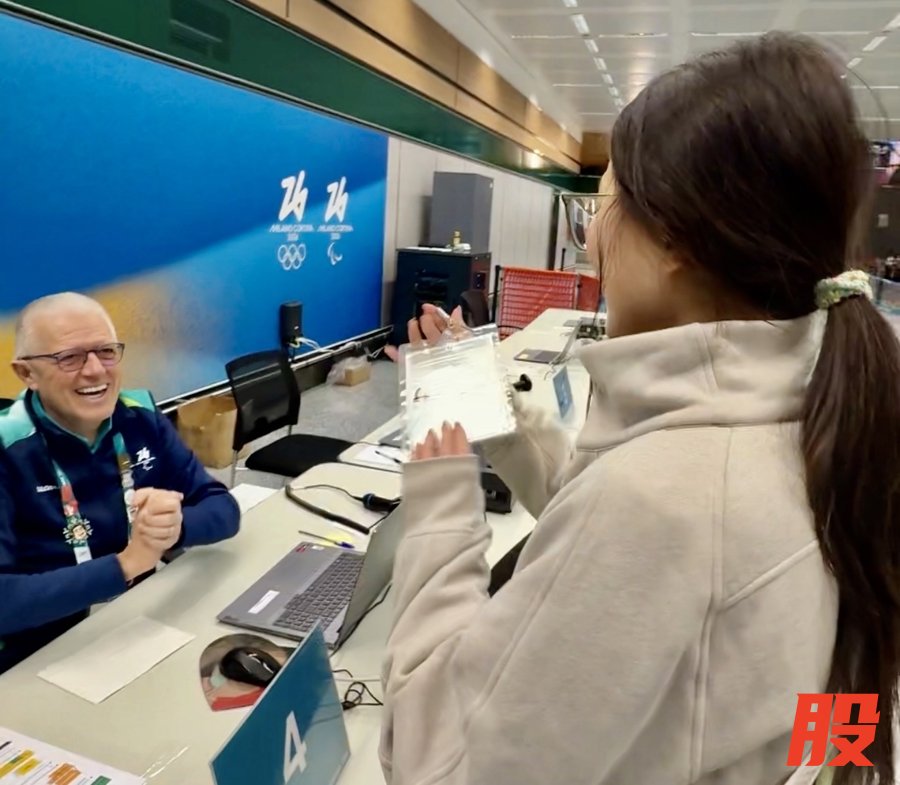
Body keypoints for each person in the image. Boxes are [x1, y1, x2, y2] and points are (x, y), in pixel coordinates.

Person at [380, 33, 900, 785]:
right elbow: (637, 541)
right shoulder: (810, 418)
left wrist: (439, 509)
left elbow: (440, 764)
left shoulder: (663, 499)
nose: (594, 239)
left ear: (677, 240)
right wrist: (497, 408)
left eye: (605, 206)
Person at [0, 292, 240, 674]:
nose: (96, 370)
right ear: (27, 373)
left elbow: (223, 508)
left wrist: (173, 527)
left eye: (106, 351)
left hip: (139, 621)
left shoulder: (140, 416)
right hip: (39, 652)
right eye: (69, 357)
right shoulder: (8, 448)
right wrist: (127, 565)